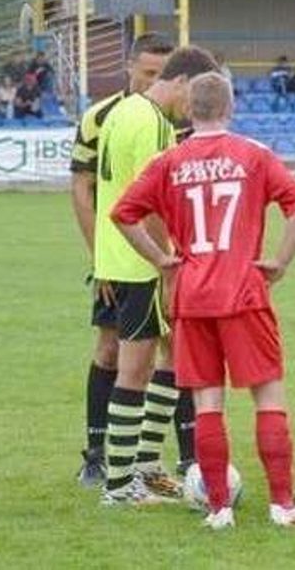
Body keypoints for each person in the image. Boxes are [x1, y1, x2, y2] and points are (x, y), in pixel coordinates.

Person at [111, 72, 295, 529]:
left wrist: (162, 260)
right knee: (268, 396)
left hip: (192, 297)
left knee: (207, 403)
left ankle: (219, 508)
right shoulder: (254, 155)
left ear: (189, 110)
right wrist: (281, 261)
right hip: (243, 292)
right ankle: (282, 504)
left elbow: (122, 214)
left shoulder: (169, 161)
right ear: (230, 107)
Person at [68, 34, 198, 487]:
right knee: (124, 358)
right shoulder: (113, 117)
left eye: (160, 73)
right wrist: (106, 258)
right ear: (130, 67)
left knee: (174, 350)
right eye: (148, 72)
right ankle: (110, 468)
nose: (152, 80)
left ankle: (172, 461)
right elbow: (89, 190)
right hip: (134, 257)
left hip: (139, 253)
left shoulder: (165, 118)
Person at [93, 45, 219, 505]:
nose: (193, 106)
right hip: (141, 263)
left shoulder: (123, 112)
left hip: (116, 258)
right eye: (194, 94)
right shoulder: (152, 123)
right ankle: (119, 486)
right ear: (182, 81)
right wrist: (166, 265)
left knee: (173, 355)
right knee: (135, 371)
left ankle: (145, 468)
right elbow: (151, 205)